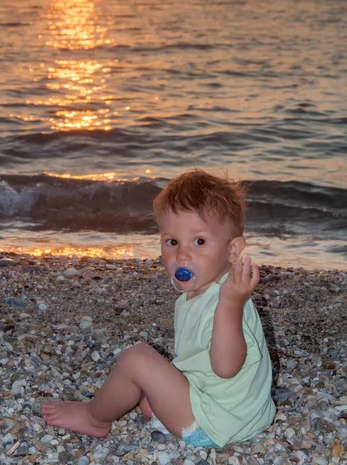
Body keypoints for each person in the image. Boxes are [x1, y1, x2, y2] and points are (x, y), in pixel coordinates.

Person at [42, 168, 275, 448]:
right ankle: (162, 400)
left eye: (199, 241)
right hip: (240, 411)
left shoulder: (225, 300)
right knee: (153, 370)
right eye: (172, 241)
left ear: (232, 250)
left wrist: (231, 302)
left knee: (137, 359)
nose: (183, 254)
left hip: (217, 424)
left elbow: (226, 367)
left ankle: (94, 417)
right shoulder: (206, 288)